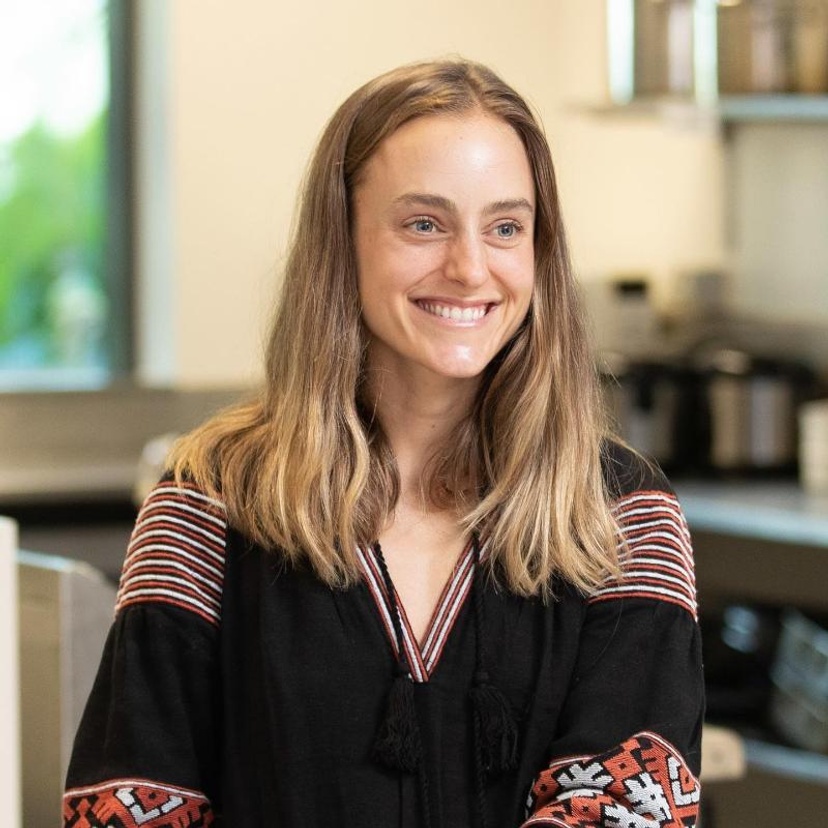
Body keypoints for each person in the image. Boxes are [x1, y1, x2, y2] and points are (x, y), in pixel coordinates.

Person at [63, 59, 703, 828]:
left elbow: (623, 811)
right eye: (424, 223)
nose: (470, 269)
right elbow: (132, 803)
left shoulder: (623, 514)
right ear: (343, 240)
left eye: (506, 227)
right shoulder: (208, 500)